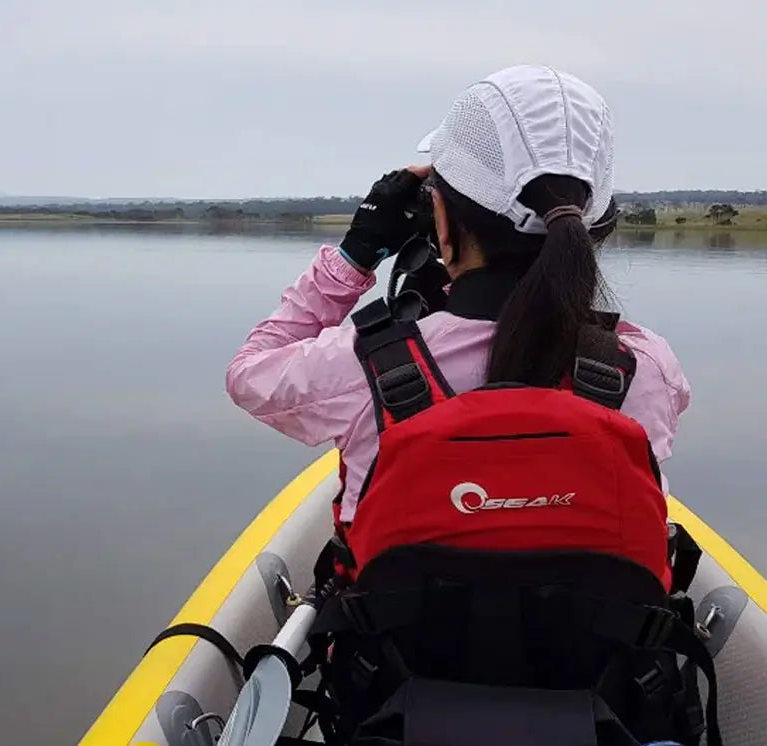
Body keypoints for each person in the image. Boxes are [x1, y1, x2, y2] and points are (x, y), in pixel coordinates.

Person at [226, 64, 690, 552]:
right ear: (592, 228)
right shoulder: (647, 369)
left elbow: (248, 373)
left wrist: (356, 254)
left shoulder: (363, 368)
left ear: (442, 224)